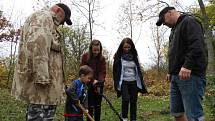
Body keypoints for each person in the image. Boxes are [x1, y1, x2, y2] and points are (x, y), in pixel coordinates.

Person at [11, 3, 72, 121]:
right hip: (43, 87)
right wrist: (42, 78)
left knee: (41, 117)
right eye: (63, 19)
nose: (62, 23)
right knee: (40, 117)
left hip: (46, 87)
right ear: (58, 10)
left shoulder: (45, 20)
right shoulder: (44, 18)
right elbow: (39, 46)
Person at [156, 7, 207, 121]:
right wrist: (170, 71)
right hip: (176, 76)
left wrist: (187, 65)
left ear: (170, 12)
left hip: (190, 75)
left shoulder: (189, 21)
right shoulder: (174, 30)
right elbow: (174, 53)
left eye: (163, 20)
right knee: (177, 112)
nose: (163, 24)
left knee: (194, 115)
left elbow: (197, 45)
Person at [113, 38, 148, 121]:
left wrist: (141, 80)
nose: (127, 49)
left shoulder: (134, 56)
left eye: (128, 47)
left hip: (134, 82)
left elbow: (138, 69)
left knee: (133, 101)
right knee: (125, 98)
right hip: (124, 81)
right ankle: (124, 117)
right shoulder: (118, 57)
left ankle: (133, 118)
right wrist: (116, 83)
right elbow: (115, 71)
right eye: (125, 47)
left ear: (131, 47)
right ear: (122, 47)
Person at [80, 39, 106, 121]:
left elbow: (103, 72)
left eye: (98, 50)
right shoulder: (85, 57)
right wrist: (91, 80)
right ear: (91, 49)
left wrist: (98, 81)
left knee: (98, 106)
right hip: (88, 85)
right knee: (90, 106)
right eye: (94, 50)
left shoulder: (102, 59)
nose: (96, 52)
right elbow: (83, 70)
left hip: (98, 85)